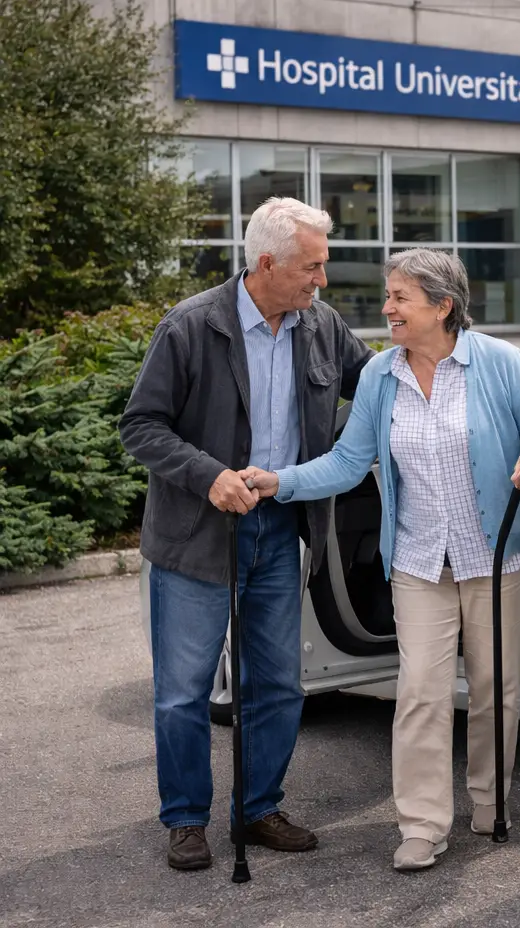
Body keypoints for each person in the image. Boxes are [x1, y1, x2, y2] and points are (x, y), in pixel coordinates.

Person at [241, 248, 520, 873]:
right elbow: (350, 462)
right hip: (416, 559)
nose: (387, 309)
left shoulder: (499, 364)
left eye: (400, 298)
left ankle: (491, 803)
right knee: (420, 693)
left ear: (444, 306)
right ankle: (422, 825)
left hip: (496, 559)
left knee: (495, 690)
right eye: (389, 296)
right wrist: (280, 481)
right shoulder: (383, 374)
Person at [119, 197, 374, 871]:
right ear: (268, 263)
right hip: (196, 537)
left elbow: (378, 386)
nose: (321, 282)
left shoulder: (321, 327)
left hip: (280, 532)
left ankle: (258, 809)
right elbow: (141, 426)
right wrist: (208, 475)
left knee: (279, 686)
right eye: (312, 267)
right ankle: (186, 820)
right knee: (183, 690)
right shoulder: (191, 326)